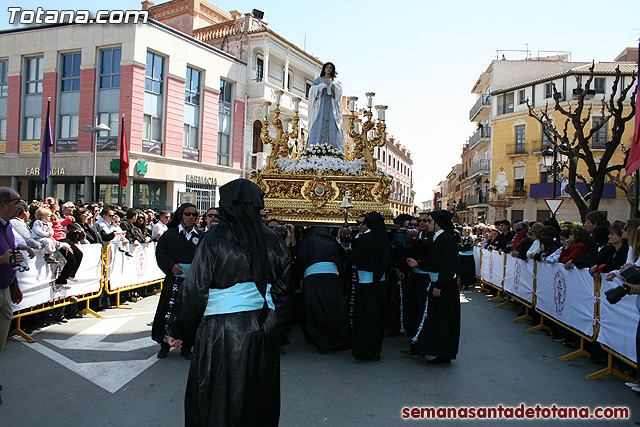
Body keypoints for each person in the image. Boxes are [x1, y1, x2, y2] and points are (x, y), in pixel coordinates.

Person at [166, 179, 292, 426]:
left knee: (219, 396)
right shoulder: (273, 239)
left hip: (221, 329)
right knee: (257, 395)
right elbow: (284, 292)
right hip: (262, 326)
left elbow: (194, 289)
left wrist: (177, 330)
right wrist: (276, 326)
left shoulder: (213, 239)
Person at [403, 210, 460, 364]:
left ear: (437, 223)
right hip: (437, 282)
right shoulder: (439, 238)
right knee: (434, 318)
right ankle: (429, 349)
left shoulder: (446, 239)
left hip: (443, 286)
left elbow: (447, 264)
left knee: (441, 320)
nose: (426, 224)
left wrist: (440, 285)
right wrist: (419, 263)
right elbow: (435, 260)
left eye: (429, 221)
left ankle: (442, 353)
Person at [152, 203, 203, 360]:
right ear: (181, 215)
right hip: (174, 281)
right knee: (168, 311)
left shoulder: (200, 236)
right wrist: (170, 266)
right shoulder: (170, 235)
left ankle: (187, 346)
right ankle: (164, 345)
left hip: (192, 283)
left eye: (194, 215)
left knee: (190, 314)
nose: (191, 217)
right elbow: (160, 254)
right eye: (188, 214)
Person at [0, 188, 35, 405]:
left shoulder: (7, 225)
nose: (20, 207)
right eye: (16, 202)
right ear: (3, 204)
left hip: (4, 289)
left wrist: (18, 246)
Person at [345, 211, 392, 361]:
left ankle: (363, 351)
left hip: (365, 285)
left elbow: (354, 260)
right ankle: (375, 350)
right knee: (376, 319)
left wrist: (347, 252)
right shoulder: (383, 240)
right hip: (379, 285)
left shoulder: (364, 239)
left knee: (364, 318)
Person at [297, 227, 351, 354]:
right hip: (332, 278)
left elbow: (301, 259)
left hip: (313, 278)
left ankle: (321, 342)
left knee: (315, 309)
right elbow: (342, 260)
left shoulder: (308, 241)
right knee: (333, 310)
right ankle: (337, 340)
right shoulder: (333, 242)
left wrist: (300, 276)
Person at [307, 62, 344, 152]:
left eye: (330, 68)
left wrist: (331, 85)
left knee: (334, 127)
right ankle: (314, 150)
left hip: (332, 108)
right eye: (327, 67)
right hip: (320, 107)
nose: (328, 69)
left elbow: (339, 93)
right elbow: (311, 91)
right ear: (324, 69)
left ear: (332, 70)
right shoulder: (318, 80)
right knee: (317, 125)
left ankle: (335, 151)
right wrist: (319, 87)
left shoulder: (336, 82)